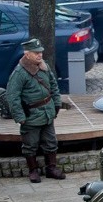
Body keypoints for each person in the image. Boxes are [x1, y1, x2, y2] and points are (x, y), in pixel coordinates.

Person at [6, 39, 65, 183]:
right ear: (27, 54)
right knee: (30, 145)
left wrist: (56, 104)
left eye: (41, 52)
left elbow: (53, 86)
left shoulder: (44, 67)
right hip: (31, 115)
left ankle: (51, 168)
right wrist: (20, 117)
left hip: (47, 112)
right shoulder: (19, 73)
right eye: (36, 53)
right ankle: (33, 170)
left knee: (51, 142)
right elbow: (12, 96)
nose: (40, 55)